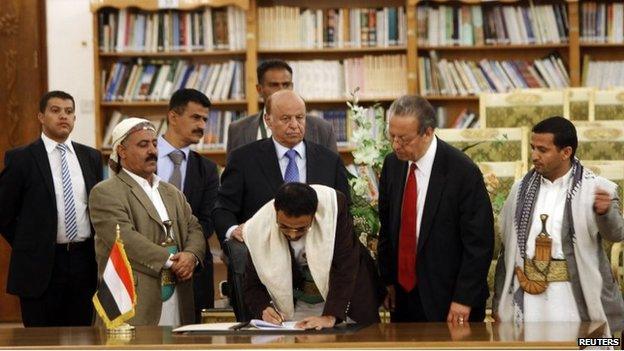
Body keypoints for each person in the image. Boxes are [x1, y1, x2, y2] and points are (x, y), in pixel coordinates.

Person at [213, 90, 350, 321]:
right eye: (286, 119)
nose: (295, 125)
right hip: (264, 277)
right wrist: (232, 230)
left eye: (300, 117)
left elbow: (343, 215)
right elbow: (223, 208)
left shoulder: (329, 160)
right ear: (268, 120)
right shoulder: (243, 159)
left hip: (319, 279)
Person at [493, 116, 624, 333]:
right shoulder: (519, 191)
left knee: (592, 345)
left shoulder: (598, 188)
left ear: (566, 152)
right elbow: (506, 252)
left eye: (542, 150)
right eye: (533, 148)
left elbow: (617, 234)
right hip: (529, 296)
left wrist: (605, 212)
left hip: (576, 294)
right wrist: (499, 302)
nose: (534, 155)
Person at [377, 95, 494, 324]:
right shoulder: (393, 164)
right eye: (392, 136)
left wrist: (464, 298)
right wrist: (388, 280)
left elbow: (479, 243)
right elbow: (388, 228)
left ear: (428, 133)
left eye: (404, 139)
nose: (396, 145)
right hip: (403, 297)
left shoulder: (463, 171)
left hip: (449, 298)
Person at [89, 118, 205, 326]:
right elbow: (124, 238)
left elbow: (193, 227)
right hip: (134, 303)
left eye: (154, 144)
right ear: (122, 151)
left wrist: (191, 255)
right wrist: (172, 261)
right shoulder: (106, 192)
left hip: (177, 297)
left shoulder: (171, 192)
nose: (152, 151)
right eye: (143, 145)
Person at [0, 91, 102, 327]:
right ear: (41, 117)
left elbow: (97, 207)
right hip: (41, 264)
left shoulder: (91, 157)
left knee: (82, 336)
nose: (63, 116)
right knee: (41, 338)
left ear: (75, 119)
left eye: (68, 112)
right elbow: (3, 214)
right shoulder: (21, 158)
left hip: (83, 261)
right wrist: (31, 242)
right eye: (55, 111)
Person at [244, 183, 381, 329]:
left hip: (344, 297)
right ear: (275, 212)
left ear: (314, 214)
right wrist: (263, 308)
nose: (292, 234)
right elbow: (252, 284)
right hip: (295, 303)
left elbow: (346, 266)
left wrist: (330, 316)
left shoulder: (333, 207)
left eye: (301, 228)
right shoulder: (258, 228)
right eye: (284, 227)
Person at [158, 88, 219, 323]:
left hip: (191, 268)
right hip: (146, 267)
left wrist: (186, 255)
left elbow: (207, 221)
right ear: (173, 116)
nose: (202, 125)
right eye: (195, 117)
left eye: (205, 119)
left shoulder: (208, 169)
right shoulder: (141, 156)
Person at [226, 59, 337, 154]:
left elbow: (332, 174)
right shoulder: (238, 130)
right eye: (274, 85)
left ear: (292, 86)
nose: (281, 90)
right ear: (259, 90)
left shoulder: (322, 129)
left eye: (286, 84)